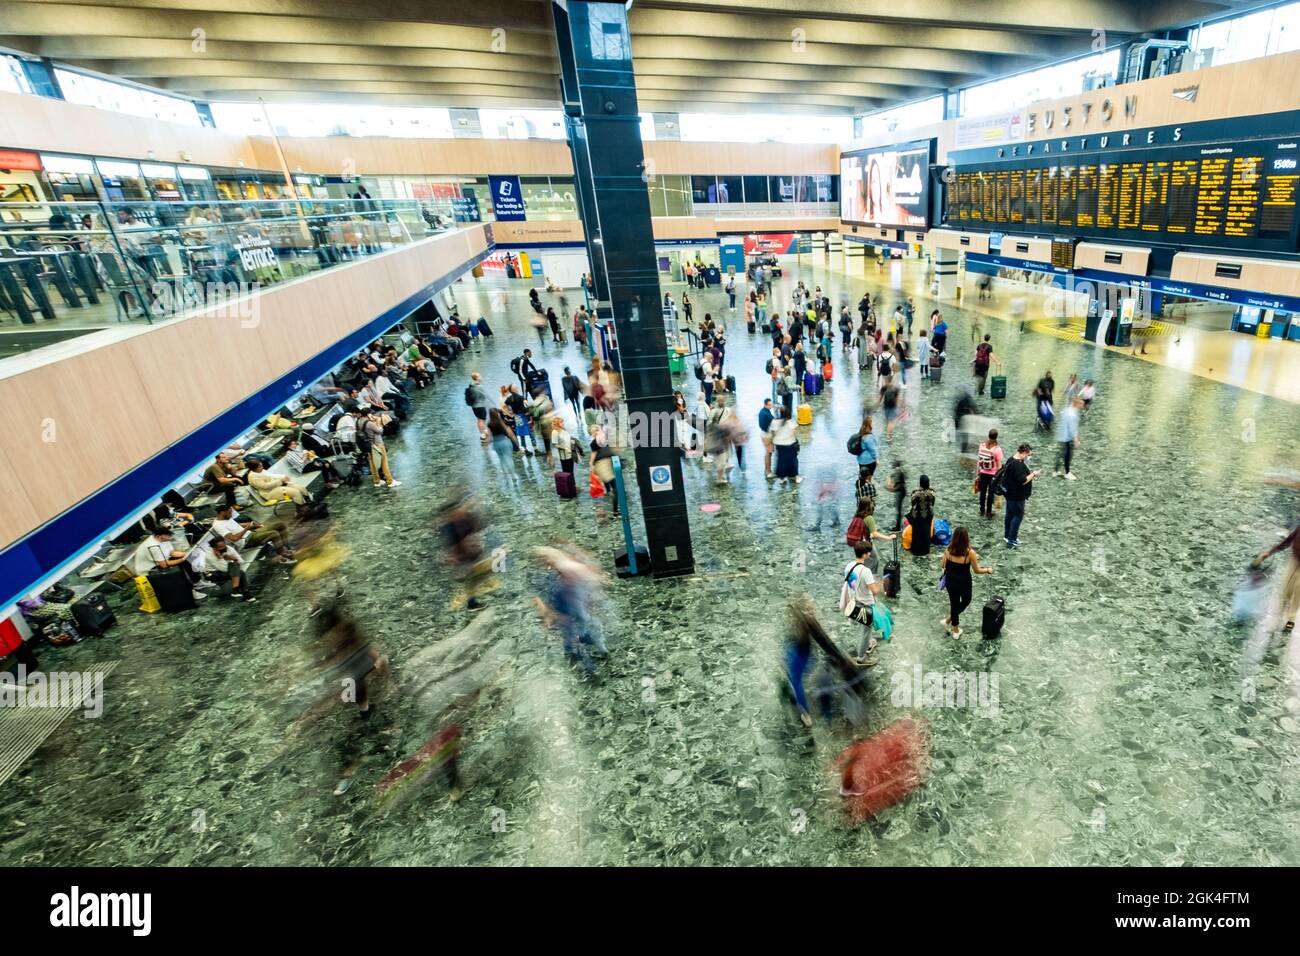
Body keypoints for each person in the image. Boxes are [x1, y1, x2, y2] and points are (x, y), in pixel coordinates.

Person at [940, 527, 993, 638]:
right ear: (966, 539)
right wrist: (987, 570)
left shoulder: (948, 550)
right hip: (964, 582)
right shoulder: (970, 553)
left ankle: (949, 620)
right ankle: (955, 630)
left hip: (950, 580)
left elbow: (942, 565)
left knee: (954, 604)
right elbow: (977, 570)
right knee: (966, 600)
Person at [1252, 523, 1300, 633]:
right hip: (1294, 562)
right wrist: (1270, 552)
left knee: (1298, 593)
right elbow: (1287, 541)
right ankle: (1278, 617)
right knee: (1285, 590)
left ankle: (1291, 619)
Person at [843, 541, 885, 661]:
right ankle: (861, 658)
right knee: (865, 632)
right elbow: (874, 591)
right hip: (865, 604)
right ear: (865, 554)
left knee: (863, 628)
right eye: (868, 552)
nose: (870, 554)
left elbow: (852, 585)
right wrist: (881, 585)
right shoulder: (866, 571)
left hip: (854, 601)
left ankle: (869, 643)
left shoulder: (849, 566)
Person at [211, 503, 296, 563]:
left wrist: (253, 524)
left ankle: (286, 547)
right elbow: (234, 538)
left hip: (251, 534)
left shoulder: (226, 518)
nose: (231, 514)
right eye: (229, 513)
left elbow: (237, 525)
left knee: (280, 524)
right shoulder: (218, 525)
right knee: (273, 534)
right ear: (222, 512)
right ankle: (283, 554)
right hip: (246, 541)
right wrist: (247, 528)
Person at [1000, 443, 1040, 548]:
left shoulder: (1010, 460)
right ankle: (1012, 539)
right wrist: (1034, 474)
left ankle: (1007, 535)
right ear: (1023, 453)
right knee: (1017, 516)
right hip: (1016, 496)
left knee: (1009, 514)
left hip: (1009, 494)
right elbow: (1023, 480)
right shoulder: (1018, 465)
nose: (1028, 457)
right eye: (1028, 455)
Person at [200, 537, 256, 601]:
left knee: (236, 568)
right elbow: (224, 569)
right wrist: (221, 558)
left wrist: (234, 559)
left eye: (224, 545)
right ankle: (243, 592)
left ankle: (237, 589)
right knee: (240, 572)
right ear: (215, 548)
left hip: (227, 568)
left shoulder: (228, 548)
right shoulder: (209, 555)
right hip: (211, 573)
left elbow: (241, 561)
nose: (224, 548)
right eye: (221, 547)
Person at [244, 458, 312, 507]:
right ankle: (302, 508)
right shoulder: (253, 477)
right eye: (260, 467)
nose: (262, 467)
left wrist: (283, 477)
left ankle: (309, 502)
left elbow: (272, 475)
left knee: (301, 488)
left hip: (277, 486)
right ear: (254, 468)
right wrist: (279, 481)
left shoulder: (261, 470)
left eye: (261, 465)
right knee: (295, 492)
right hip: (269, 492)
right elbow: (265, 486)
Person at [362, 409, 401, 488]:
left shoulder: (359, 421)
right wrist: (378, 423)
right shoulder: (369, 423)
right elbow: (380, 431)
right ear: (368, 414)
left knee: (373, 464)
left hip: (369, 445)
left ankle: (377, 481)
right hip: (378, 444)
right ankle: (390, 481)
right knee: (384, 463)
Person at [976, 429, 1004, 518]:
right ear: (996, 437)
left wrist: (978, 474)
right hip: (993, 474)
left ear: (988, 436)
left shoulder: (982, 446)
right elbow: (999, 466)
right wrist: (999, 478)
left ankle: (981, 510)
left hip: (983, 472)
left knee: (983, 492)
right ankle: (988, 512)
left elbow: (979, 461)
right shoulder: (997, 449)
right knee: (991, 493)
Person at [1053, 397, 1083, 480]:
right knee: (1068, 455)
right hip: (1067, 437)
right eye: (1081, 404)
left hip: (1062, 435)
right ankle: (1067, 472)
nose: (1082, 406)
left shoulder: (1067, 410)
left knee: (1061, 453)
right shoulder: (1072, 414)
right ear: (1076, 404)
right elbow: (1072, 428)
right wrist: (1076, 439)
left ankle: (1056, 470)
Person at [771, 408, 801, 485]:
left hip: (779, 445)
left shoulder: (775, 422)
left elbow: (773, 432)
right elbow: (796, 433)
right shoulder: (791, 423)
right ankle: (795, 477)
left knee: (781, 462)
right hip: (789, 445)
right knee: (792, 461)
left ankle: (782, 478)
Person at [907, 475, 936, 556]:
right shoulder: (932, 492)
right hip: (928, 516)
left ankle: (916, 550)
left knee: (917, 532)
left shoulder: (915, 493)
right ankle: (925, 550)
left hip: (917, 516)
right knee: (926, 532)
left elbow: (913, 504)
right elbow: (932, 503)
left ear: (920, 483)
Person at [854, 415, 880, 490]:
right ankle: (868, 490)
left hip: (861, 460)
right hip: (869, 461)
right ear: (869, 425)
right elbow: (872, 450)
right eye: (872, 423)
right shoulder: (869, 437)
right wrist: (876, 459)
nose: (873, 424)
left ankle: (861, 488)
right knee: (869, 476)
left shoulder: (861, 433)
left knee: (863, 475)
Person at [465, 372, 490, 443]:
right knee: (482, 420)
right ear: (476, 378)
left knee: (479, 420)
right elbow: (484, 396)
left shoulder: (471, 385)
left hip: (474, 406)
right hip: (480, 406)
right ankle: (483, 433)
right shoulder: (479, 387)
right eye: (479, 376)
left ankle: (482, 432)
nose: (481, 377)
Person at [759, 398, 776, 480]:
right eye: (769, 405)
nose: (771, 406)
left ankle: (767, 470)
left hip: (763, 434)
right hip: (767, 436)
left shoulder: (762, 411)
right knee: (768, 453)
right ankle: (768, 471)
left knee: (768, 453)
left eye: (771, 404)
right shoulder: (767, 414)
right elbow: (772, 425)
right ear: (765, 405)